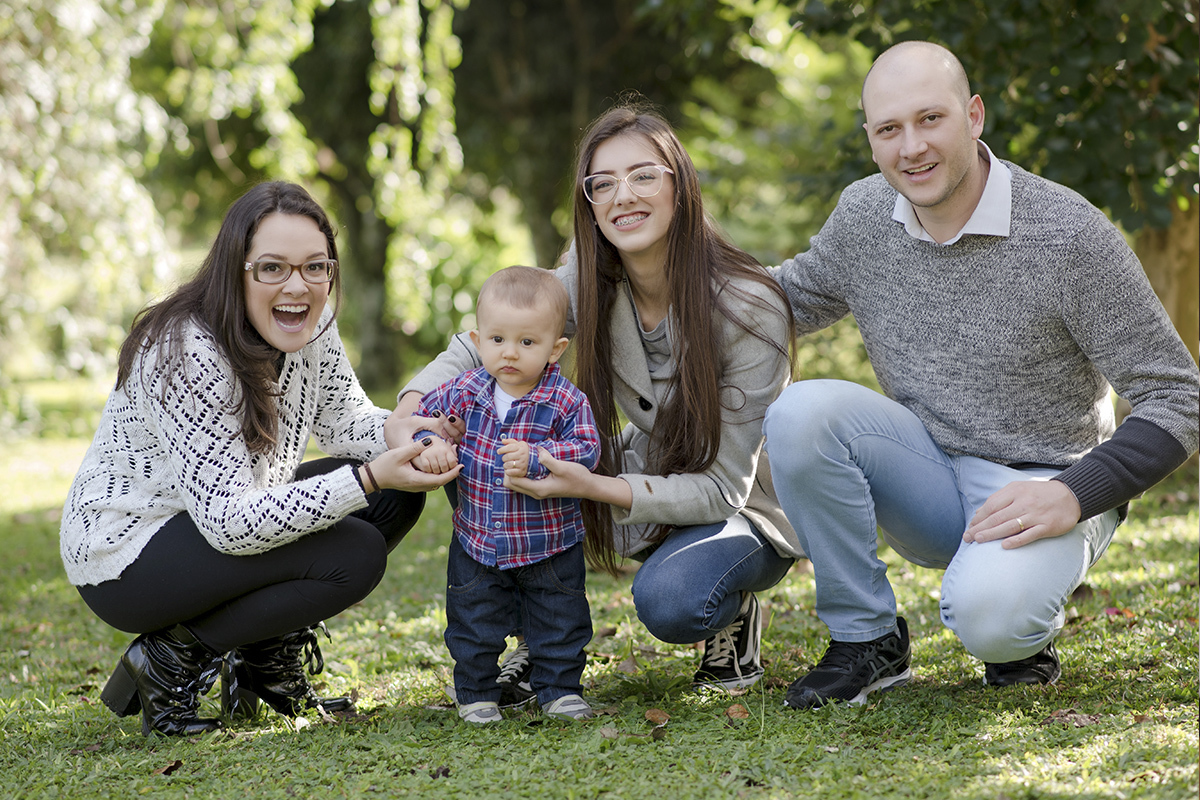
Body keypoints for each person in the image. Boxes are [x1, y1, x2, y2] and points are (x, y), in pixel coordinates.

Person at [762, 41, 1200, 709]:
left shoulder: (1068, 235)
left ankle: (1022, 633)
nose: (911, 147)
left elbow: (1179, 396)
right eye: (889, 130)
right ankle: (867, 639)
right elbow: (776, 301)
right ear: (872, 140)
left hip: (1046, 482)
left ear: (973, 115)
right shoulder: (863, 215)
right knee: (800, 412)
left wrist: (1077, 492)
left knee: (993, 624)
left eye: (930, 119)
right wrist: (629, 272)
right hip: (928, 474)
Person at [388, 105, 800, 700]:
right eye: (602, 183)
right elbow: (496, 337)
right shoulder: (593, 274)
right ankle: (538, 630)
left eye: (642, 176)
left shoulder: (748, 305)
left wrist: (588, 486)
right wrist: (410, 410)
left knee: (673, 600)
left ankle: (733, 614)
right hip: (647, 465)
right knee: (487, 441)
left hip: (740, 502)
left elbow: (722, 488)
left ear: (679, 185)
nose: (622, 196)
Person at [60, 181, 459, 736]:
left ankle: (262, 667)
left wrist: (404, 432)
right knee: (356, 551)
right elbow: (228, 522)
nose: (298, 286)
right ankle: (168, 658)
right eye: (273, 268)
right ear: (236, 269)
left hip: (222, 518)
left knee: (395, 496)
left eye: (315, 267)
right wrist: (365, 477)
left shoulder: (312, 323)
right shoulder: (185, 351)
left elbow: (345, 422)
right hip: (128, 553)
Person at [408, 265, 602, 723]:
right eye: (497, 340)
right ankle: (476, 692)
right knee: (474, 620)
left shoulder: (565, 400)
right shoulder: (465, 391)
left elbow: (588, 449)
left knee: (559, 618)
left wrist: (540, 456)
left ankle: (558, 689)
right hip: (478, 541)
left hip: (550, 541)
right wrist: (430, 442)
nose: (509, 353)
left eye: (527, 343)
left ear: (556, 350)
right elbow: (419, 421)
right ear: (478, 341)